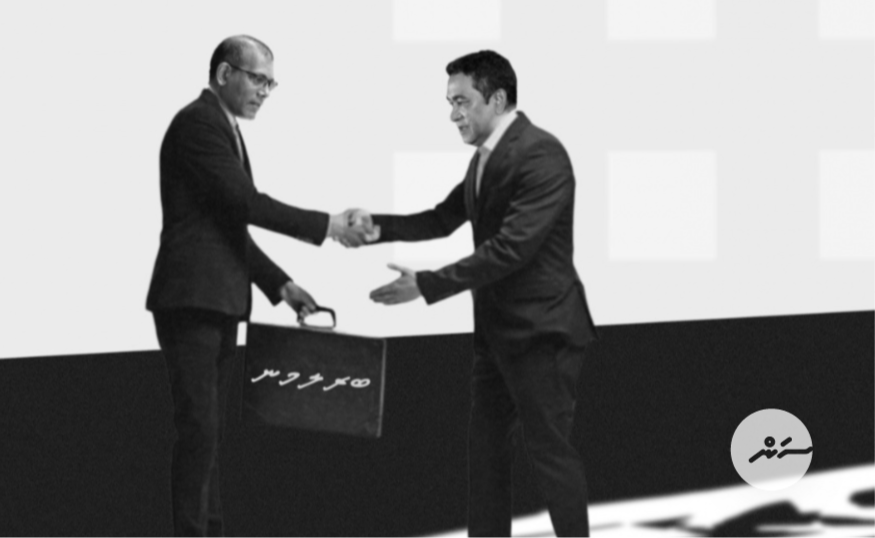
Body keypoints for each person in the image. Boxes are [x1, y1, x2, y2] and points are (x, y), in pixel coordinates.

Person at [360, 50, 598, 538]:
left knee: (549, 456)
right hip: (496, 338)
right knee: (486, 456)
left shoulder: (542, 154)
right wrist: (371, 228)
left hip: (542, 334)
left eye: (462, 102)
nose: (453, 115)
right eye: (450, 103)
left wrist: (426, 284)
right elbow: (440, 219)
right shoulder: (484, 160)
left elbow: (513, 248)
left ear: (498, 99)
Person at [145, 35, 373, 538]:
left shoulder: (223, 128)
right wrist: (330, 225)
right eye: (257, 79)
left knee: (208, 434)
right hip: (192, 300)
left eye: (271, 83)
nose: (265, 92)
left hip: (215, 300)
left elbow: (226, 225)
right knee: (199, 431)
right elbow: (246, 204)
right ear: (225, 74)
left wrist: (282, 285)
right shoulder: (198, 123)